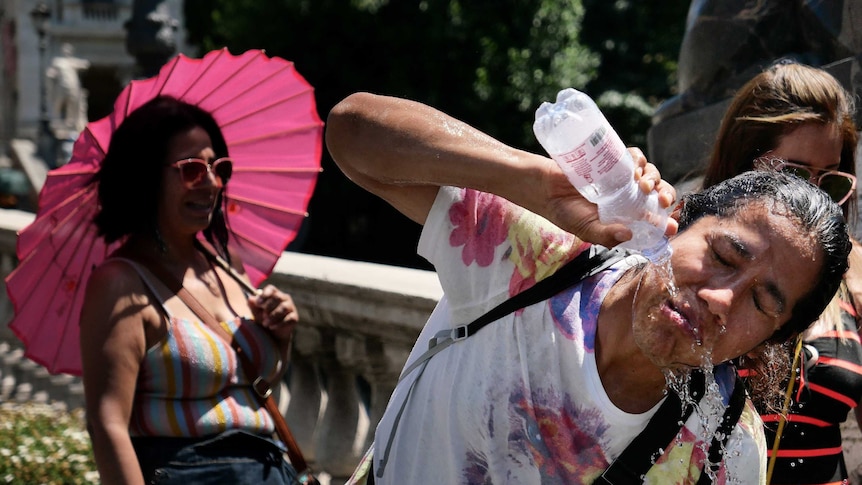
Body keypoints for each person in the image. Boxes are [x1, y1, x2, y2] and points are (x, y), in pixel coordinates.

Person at [326, 92, 852, 484]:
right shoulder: (534, 262)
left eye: (762, 302)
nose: (721, 298)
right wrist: (530, 179)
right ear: (680, 220)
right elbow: (352, 132)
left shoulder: (725, 454)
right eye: (721, 256)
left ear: (770, 340)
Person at [79, 96, 301, 485]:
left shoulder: (226, 266)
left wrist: (280, 339)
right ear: (145, 177)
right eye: (192, 169)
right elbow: (107, 424)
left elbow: (246, 389)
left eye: (219, 168)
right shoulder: (121, 285)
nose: (212, 182)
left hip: (270, 470)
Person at [700, 60, 862, 484]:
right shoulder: (687, 258)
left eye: (830, 183)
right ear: (742, 163)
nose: (812, 198)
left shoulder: (857, 274)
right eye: (793, 173)